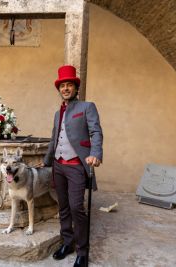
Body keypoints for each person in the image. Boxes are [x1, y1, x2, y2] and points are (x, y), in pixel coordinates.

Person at [42, 65, 103, 267]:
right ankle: (67, 243)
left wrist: (95, 153)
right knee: (64, 207)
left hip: (77, 165)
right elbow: (54, 139)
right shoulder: (57, 113)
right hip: (58, 165)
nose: (66, 88)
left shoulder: (87, 107)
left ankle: (82, 251)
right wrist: (46, 161)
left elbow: (96, 132)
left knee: (77, 207)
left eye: (69, 85)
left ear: (76, 88)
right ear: (59, 89)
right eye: (62, 85)